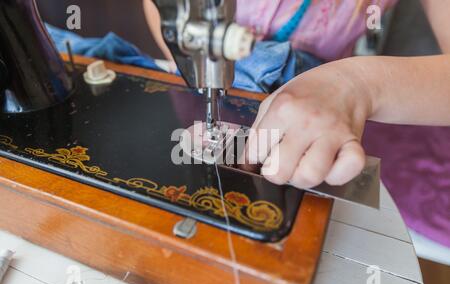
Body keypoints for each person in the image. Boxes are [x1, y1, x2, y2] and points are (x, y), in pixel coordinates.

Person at [144, 0, 450, 190]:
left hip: (316, 119)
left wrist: (359, 85)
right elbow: (165, 9)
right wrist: (189, 55)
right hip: (196, 101)